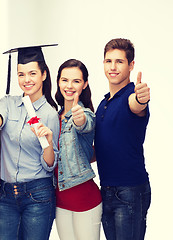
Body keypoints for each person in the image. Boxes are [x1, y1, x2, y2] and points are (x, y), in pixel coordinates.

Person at [0, 45, 60, 240]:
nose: (26, 80)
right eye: (21, 74)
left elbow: (50, 165)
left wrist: (49, 143)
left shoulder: (50, 114)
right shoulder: (8, 102)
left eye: (32, 73)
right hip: (6, 195)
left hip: (38, 194)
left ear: (43, 75)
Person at [94, 38, 151, 240]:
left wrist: (141, 98)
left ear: (131, 65)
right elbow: (100, 148)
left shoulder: (131, 96)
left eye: (119, 61)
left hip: (130, 191)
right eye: (108, 61)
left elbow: (137, 105)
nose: (113, 67)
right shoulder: (102, 104)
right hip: (106, 190)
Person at [54, 59, 102, 240]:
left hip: (85, 200)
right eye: (65, 80)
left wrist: (78, 117)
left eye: (76, 81)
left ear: (85, 84)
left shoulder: (86, 113)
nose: (69, 86)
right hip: (61, 202)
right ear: (58, 82)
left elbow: (84, 124)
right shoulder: (54, 116)